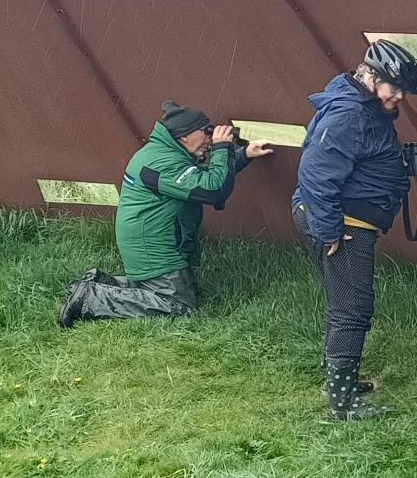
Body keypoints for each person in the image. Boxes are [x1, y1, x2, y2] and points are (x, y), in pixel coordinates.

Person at [292, 40, 417, 422]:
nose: (400, 97)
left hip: (347, 219)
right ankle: (343, 404)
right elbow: (316, 174)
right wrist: (329, 231)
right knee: (353, 308)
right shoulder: (349, 113)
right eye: (395, 88)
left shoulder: (366, 107)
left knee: (343, 303)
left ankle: (339, 385)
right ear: (370, 75)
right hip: (343, 224)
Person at [58, 101, 274, 327]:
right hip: (153, 251)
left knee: (159, 291)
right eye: (205, 132)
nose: (210, 140)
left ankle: (98, 283)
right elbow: (212, 190)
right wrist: (222, 148)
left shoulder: (162, 153)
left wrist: (245, 154)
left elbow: (200, 179)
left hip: (146, 244)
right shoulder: (163, 163)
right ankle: (90, 298)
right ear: (184, 136)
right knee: (179, 305)